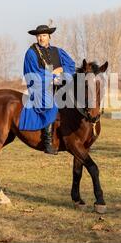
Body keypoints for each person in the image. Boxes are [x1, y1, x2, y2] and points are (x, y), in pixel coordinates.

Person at [19, 24, 75, 155]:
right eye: (38, 36)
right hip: (40, 87)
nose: (41, 38)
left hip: (60, 84)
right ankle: (48, 141)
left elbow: (70, 65)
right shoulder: (31, 53)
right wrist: (52, 76)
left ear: (49, 36)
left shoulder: (58, 51)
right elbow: (33, 72)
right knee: (50, 103)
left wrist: (62, 70)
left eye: (44, 35)